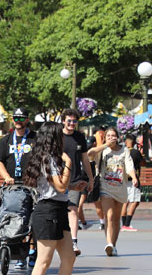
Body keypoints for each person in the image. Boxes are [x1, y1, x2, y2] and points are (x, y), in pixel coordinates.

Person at [21, 123, 80, 275]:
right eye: (60, 134)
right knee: (43, 261)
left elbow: (59, 187)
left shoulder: (50, 159)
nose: (64, 137)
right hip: (47, 211)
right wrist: (69, 164)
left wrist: (73, 184)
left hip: (59, 209)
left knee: (69, 257)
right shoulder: (51, 159)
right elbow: (61, 187)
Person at [0, 107, 36, 269]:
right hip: (11, 186)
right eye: (16, 118)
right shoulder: (6, 139)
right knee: (12, 214)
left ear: (27, 120)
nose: (18, 121)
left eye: (21, 118)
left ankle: (31, 251)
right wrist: (6, 177)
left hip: (31, 187)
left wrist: (33, 176)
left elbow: (41, 159)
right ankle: (16, 251)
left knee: (31, 219)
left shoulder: (35, 138)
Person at [88, 127, 138, 256]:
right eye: (108, 136)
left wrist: (133, 177)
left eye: (113, 136)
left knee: (116, 219)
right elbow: (90, 154)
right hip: (105, 187)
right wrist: (105, 145)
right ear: (105, 138)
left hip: (120, 188)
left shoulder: (124, 150)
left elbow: (129, 166)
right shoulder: (101, 150)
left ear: (118, 137)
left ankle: (113, 246)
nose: (111, 138)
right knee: (108, 216)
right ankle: (109, 243)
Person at [61, 109, 94, 256]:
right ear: (63, 121)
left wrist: (91, 178)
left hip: (75, 179)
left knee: (72, 210)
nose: (72, 124)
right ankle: (59, 241)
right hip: (57, 180)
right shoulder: (57, 136)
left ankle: (73, 242)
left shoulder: (80, 137)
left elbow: (85, 159)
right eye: (69, 121)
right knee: (58, 211)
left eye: (74, 121)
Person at [122, 133, 144, 232]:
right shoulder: (135, 152)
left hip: (123, 179)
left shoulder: (122, 151)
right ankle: (127, 224)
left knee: (125, 202)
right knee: (135, 201)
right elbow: (143, 163)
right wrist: (141, 152)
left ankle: (123, 224)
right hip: (133, 180)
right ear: (134, 142)